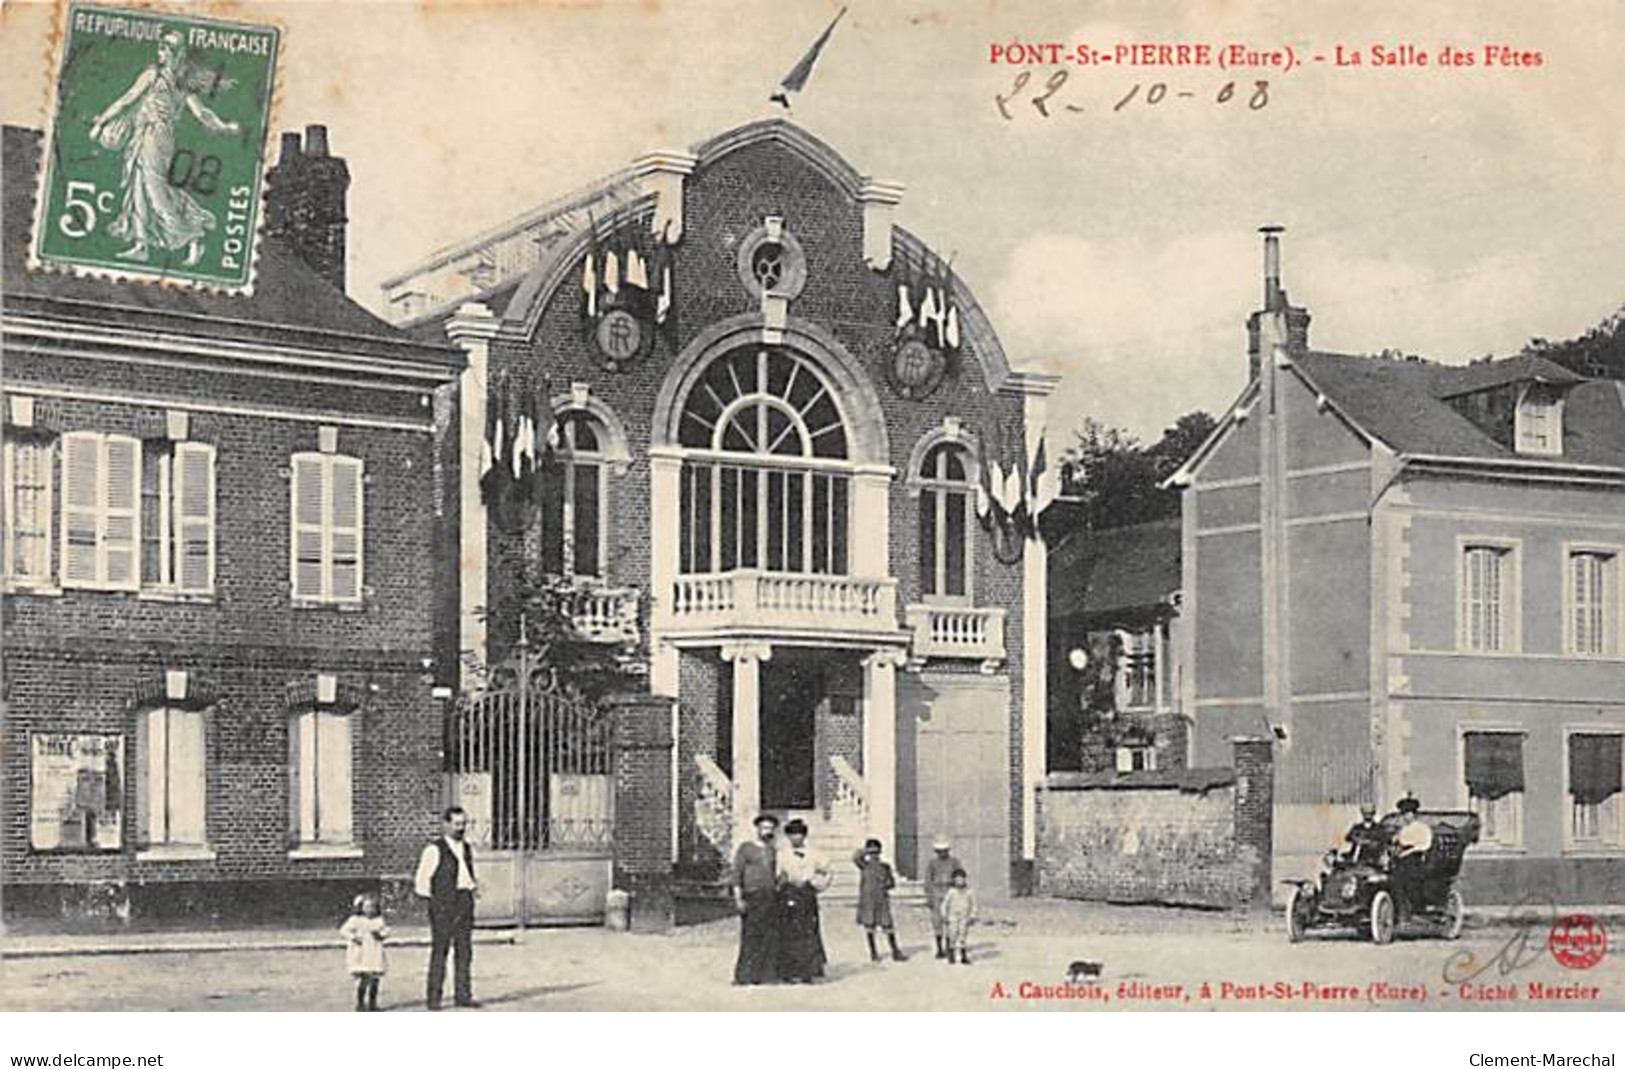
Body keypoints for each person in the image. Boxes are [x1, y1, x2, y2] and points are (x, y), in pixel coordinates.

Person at [86, 30, 242, 266]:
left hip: (157, 138)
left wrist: (224, 127)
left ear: (176, 53)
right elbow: (127, 99)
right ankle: (141, 245)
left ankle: (194, 233)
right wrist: (103, 121)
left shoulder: (172, 80)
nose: (161, 51)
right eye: (160, 47)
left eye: (166, 48)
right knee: (138, 185)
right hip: (146, 134)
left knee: (155, 191)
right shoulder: (156, 75)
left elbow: (201, 113)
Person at [414, 806, 479, 1010]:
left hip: (464, 903)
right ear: (446, 824)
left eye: (464, 824)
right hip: (443, 906)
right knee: (440, 951)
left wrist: (472, 888)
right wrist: (438, 903)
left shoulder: (466, 848)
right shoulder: (434, 849)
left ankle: (463, 995)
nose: (461, 829)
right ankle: (434, 999)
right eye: (457, 824)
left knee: (464, 951)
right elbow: (422, 881)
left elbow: (466, 874)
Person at [777, 818, 831, 982]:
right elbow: (778, 874)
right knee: (789, 931)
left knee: (808, 931)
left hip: (806, 894)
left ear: (805, 835)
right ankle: (789, 971)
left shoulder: (815, 854)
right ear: (788, 837)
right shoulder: (782, 854)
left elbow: (827, 871)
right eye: (792, 834)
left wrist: (817, 885)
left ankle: (808, 971)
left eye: (799, 834)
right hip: (789, 893)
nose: (796, 838)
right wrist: (784, 881)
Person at [731, 813, 781, 985]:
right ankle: (745, 976)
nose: (767, 831)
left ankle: (766, 975)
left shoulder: (772, 850)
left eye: (770, 828)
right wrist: (738, 898)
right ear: (758, 829)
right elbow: (737, 875)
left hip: (769, 897)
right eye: (764, 828)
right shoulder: (746, 848)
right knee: (750, 937)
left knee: (769, 936)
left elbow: (776, 873)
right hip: (752, 896)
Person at [852, 838, 907, 963]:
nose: (874, 856)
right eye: (871, 853)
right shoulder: (864, 865)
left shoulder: (885, 867)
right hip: (868, 900)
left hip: (882, 900)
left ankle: (895, 951)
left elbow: (892, 883)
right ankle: (873, 952)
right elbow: (855, 857)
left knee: (888, 925)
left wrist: (886, 884)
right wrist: (864, 851)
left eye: (876, 853)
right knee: (870, 926)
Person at [339, 893, 390, 1012]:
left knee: (374, 979)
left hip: (374, 952)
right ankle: (360, 1003)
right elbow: (344, 930)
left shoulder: (379, 921)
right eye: (366, 907)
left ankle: (373, 1003)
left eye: (372, 907)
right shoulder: (355, 920)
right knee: (363, 979)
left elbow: (386, 931)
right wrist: (353, 937)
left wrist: (380, 935)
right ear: (360, 907)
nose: (369, 910)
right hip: (360, 952)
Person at [1391, 795, 1433, 918]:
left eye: (1408, 813)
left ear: (1414, 814)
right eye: (1404, 814)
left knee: (1409, 878)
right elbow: (1397, 845)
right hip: (1401, 860)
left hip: (1416, 860)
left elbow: (1425, 845)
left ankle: (1415, 907)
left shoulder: (1422, 829)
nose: (1406, 817)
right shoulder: (1402, 830)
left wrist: (1410, 850)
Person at [923, 834, 962, 959]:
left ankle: (949, 947)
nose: (942, 853)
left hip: (950, 891)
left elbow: (960, 877)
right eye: (939, 851)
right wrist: (929, 896)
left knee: (951, 922)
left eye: (944, 851)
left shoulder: (954, 862)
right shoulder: (932, 863)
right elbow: (928, 880)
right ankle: (939, 948)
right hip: (936, 892)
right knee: (937, 922)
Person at [940, 867, 977, 965]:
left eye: (961, 879)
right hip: (953, 917)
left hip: (964, 917)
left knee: (963, 935)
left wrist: (972, 915)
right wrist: (944, 915)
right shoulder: (951, 892)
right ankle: (951, 953)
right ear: (954, 880)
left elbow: (973, 904)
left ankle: (963, 955)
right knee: (953, 934)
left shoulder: (969, 892)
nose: (959, 881)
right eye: (957, 879)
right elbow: (945, 904)